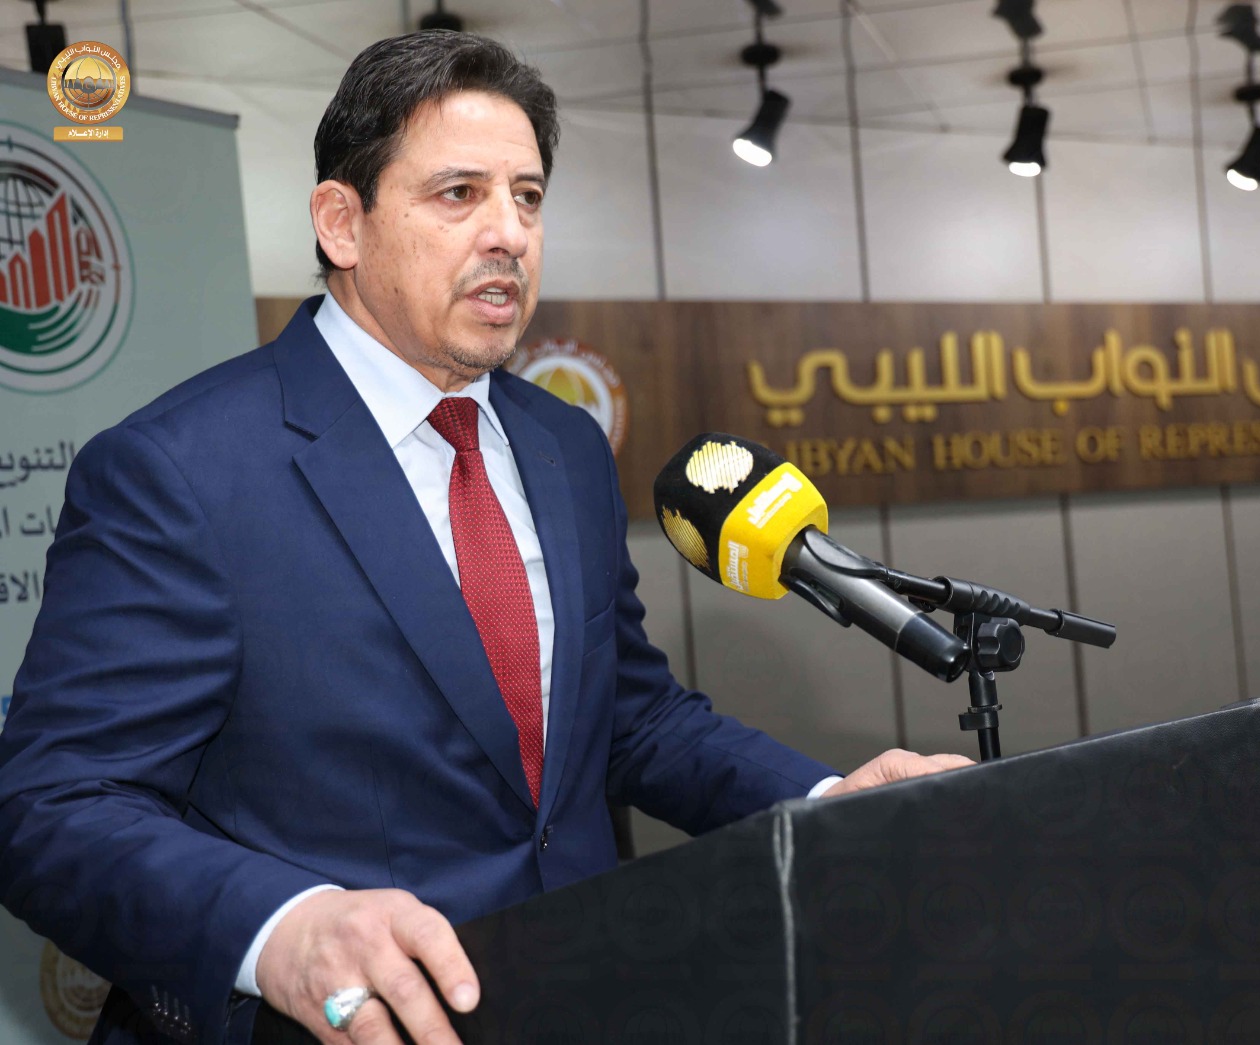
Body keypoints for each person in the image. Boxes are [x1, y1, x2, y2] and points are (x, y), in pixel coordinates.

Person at [0, 30, 971, 1045]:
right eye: (459, 193)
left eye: (529, 196)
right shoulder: (181, 470)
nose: (509, 232)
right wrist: (282, 931)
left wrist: (824, 800)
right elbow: (54, 805)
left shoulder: (564, 445)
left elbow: (628, 718)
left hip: (583, 994)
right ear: (342, 223)